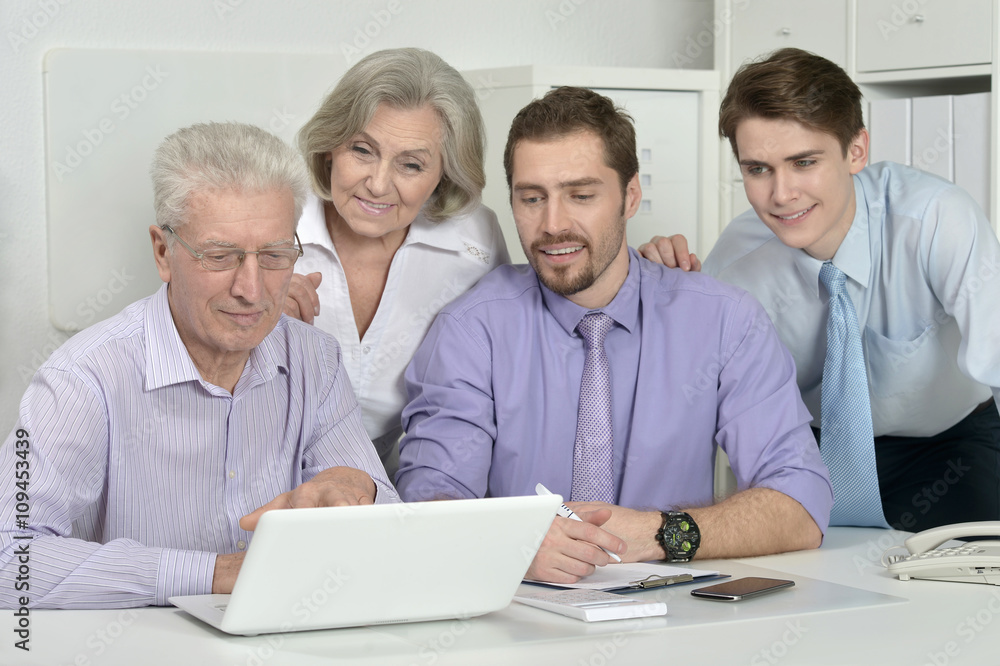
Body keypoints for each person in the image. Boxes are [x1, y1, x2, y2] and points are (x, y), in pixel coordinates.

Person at [396, 86, 833, 583]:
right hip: (520, 619)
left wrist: (662, 533)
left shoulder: (723, 322)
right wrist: (509, 545)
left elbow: (802, 503)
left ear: (630, 196)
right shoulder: (473, 330)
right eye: (532, 198)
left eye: (581, 195)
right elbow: (427, 505)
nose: (553, 225)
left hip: (677, 619)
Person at [0, 122, 399, 609]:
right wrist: (213, 573)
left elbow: (382, 518)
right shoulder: (82, 380)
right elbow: (9, 559)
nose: (251, 289)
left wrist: (355, 486)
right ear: (163, 252)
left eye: (274, 255)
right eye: (220, 256)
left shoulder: (316, 360)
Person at [640, 48, 1000, 533]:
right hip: (811, 454)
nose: (782, 194)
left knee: (962, 582)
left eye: (803, 162)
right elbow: (690, 398)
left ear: (856, 150)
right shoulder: (738, 262)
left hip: (947, 445)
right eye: (758, 169)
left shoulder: (935, 219)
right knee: (807, 589)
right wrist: (652, 296)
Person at [285, 48, 509, 480]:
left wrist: (647, 273)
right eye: (362, 150)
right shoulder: (276, 218)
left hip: (407, 486)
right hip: (262, 477)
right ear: (330, 147)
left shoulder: (474, 239)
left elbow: (529, 333)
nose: (378, 183)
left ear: (444, 174)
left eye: (411, 164)